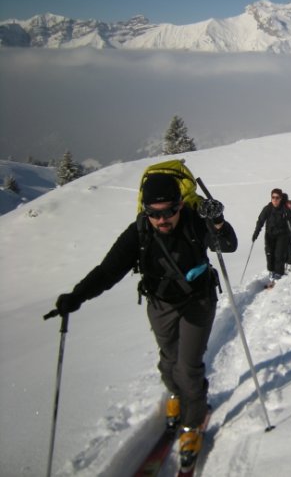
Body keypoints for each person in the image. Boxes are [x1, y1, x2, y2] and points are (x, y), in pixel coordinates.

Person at [52, 173, 237, 463]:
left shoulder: (192, 221)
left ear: (179, 206)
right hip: (160, 303)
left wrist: (217, 222)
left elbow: (227, 245)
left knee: (188, 367)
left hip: (198, 301)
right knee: (168, 359)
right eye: (153, 213)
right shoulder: (138, 232)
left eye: (169, 212)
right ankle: (175, 395)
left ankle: (192, 422)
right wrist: (77, 296)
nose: (162, 220)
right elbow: (107, 271)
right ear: (145, 210)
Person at [252, 188, 290, 285]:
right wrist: (256, 232)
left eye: (277, 197)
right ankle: (271, 271)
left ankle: (279, 273)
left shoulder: (284, 208)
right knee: (269, 253)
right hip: (270, 234)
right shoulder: (267, 209)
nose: (275, 200)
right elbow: (260, 221)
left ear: (281, 198)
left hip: (282, 234)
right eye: (273, 197)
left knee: (279, 254)